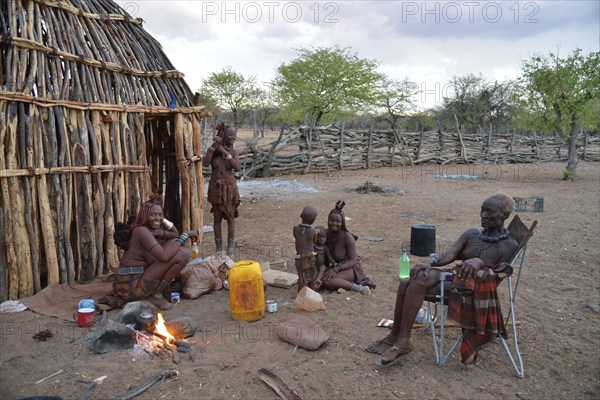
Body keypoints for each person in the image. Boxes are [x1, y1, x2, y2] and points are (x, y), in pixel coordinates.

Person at [366, 193, 518, 368]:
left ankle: (401, 340)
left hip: (472, 291)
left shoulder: (509, 246)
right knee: (411, 278)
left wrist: (480, 263)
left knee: (413, 283)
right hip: (454, 277)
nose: (482, 216)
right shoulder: (472, 234)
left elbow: (499, 275)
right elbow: (450, 253)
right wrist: (429, 262)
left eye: (489, 212)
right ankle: (397, 336)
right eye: (482, 211)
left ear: (505, 215)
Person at [100, 194, 198, 310]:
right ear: (145, 215)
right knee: (182, 254)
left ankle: (154, 293)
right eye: (152, 215)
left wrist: (161, 218)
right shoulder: (141, 231)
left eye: (160, 215)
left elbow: (174, 234)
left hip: (138, 278)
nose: (157, 218)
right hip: (130, 285)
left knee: (177, 247)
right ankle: (155, 294)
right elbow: (164, 256)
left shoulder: (150, 230)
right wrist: (185, 235)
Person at [320, 201, 375, 296]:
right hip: (336, 266)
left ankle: (360, 289)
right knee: (319, 278)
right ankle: (341, 283)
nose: (334, 223)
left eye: (338, 221)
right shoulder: (325, 234)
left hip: (351, 268)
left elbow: (353, 261)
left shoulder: (347, 237)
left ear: (342, 223)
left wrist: (336, 269)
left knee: (326, 280)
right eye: (331, 220)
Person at [203, 123, 241, 258]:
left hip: (229, 188)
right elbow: (205, 163)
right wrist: (214, 147)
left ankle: (230, 247)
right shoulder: (214, 152)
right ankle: (218, 248)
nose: (233, 138)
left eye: (234, 135)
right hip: (216, 187)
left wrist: (225, 153)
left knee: (230, 217)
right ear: (224, 136)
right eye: (230, 135)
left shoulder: (233, 152)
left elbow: (237, 167)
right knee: (217, 218)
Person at [293, 205, 318, 292]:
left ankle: (301, 294)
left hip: (300, 257)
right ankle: (312, 293)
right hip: (310, 256)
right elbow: (314, 241)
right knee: (312, 275)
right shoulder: (312, 231)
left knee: (301, 277)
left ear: (301, 215)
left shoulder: (295, 229)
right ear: (313, 220)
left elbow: (297, 237)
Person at [312, 226, 335, 290]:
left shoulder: (325, 248)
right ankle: (313, 282)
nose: (322, 239)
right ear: (316, 237)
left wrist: (334, 263)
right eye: (320, 237)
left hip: (322, 265)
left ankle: (318, 280)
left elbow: (329, 257)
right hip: (314, 264)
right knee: (315, 271)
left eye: (324, 237)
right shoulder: (313, 247)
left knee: (323, 268)